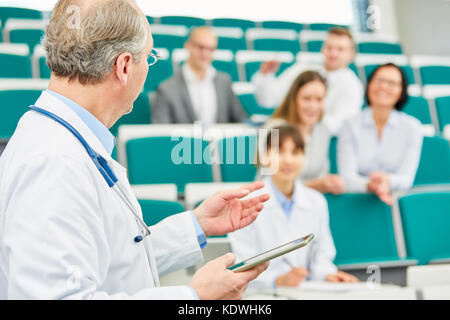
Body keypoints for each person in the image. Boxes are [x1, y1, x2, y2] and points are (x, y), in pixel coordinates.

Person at [0, 0, 270, 300]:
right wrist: (193, 297)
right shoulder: (54, 163)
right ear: (124, 66)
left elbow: (116, 260)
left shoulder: (62, 145)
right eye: (149, 58)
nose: (148, 68)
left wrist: (197, 224)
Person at [228, 125, 358, 289]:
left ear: (304, 158)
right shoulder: (246, 203)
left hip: (306, 292)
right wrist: (277, 280)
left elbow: (322, 253)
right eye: (279, 152)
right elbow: (242, 264)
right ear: (265, 157)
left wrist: (328, 275)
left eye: (295, 152)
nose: (288, 160)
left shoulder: (316, 201)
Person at [338, 63, 423, 205]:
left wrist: (387, 181)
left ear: (401, 91)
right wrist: (372, 185)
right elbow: (346, 176)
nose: (384, 87)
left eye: (392, 83)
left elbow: (406, 178)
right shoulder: (350, 125)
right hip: (355, 201)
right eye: (379, 80)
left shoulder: (412, 128)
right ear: (369, 85)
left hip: (395, 200)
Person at [252, 28, 363, 135]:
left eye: (340, 49)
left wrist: (303, 127)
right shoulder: (301, 69)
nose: (333, 53)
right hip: (286, 135)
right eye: (329, 47)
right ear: (322, 49)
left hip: (320, 140)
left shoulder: (353, 86)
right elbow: (268, 100)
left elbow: (340, 124)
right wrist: (266, 76)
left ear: (351, 55)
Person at [263, 70, 345, 195]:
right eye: (306, 99)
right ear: (294, 99)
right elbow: (269, 179)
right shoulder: (275, 128)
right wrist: (313, 185)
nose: (313, 106)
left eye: (319, 100)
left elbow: (322, 173)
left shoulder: (323, 130)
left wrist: (330, 184)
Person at [152, 26, 247, 126]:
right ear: (188, 46)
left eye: (210, 49)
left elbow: (241, 119)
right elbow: (161, 132)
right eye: (200, 47)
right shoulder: (166, 89)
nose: (205, 53)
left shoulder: (224, 82)